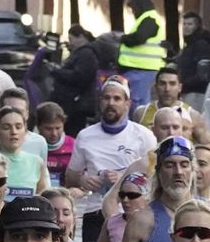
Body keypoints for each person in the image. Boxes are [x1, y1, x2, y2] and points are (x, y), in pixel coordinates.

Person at [63, 76, 154, 216]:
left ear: (127, 103)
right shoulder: (85, 136)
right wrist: (84, 180)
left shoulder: (144, 136)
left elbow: (155, 177)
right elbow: (70, 177)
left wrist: (124, 179)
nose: (111, 103)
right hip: (94, 211)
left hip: (130, 212)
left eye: (117, 99)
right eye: (106, 98)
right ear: (100, 101)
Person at [118, 0, 167, 107]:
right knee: (141, 103)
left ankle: (135, 124)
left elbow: (139, 38)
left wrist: (123, 38)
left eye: (134, 8)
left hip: (141, 68)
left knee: (134, 102)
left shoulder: (149, 19)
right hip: (142, 69)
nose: (133, 12)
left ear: (140, 6)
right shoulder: (149, 19)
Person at [49, 25, 99, 130]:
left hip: (76, 103)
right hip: (73, 101)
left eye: (71, 39)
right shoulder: (80, 53)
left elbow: (79, 76)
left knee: (72, 130)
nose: (70, 43)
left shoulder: (86, 54)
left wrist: (58, 72)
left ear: (80, 37)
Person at [131, 64, 200, 129]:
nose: (167, 89)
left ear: (180, 88)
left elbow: (208, 141)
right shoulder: (141, 113)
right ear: (155, 87)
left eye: (172, 84)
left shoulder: (192, 115)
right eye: (162, 84)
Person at [174, 12, 210, 93]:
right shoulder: (189, 45)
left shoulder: (201, 45)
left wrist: (184, 84)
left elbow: (203, 75)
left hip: (196, 93)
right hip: (187, 91)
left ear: (197, 26)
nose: (186, 27)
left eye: (190, 24)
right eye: (184, 24)